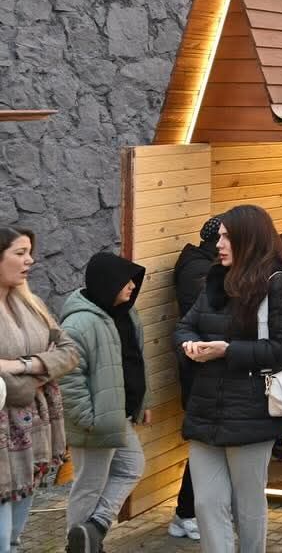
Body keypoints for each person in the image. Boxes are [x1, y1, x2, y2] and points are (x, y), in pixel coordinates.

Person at [174, 205, 282, 553]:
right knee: (205, 504)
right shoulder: (214, 282)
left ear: (249, 239)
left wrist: (228, 351)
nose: (219, 244)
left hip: (251, 410)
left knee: (247, 506)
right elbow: (186, 323)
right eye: (219, 237)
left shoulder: (278, 286)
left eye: (227, 237)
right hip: (205, 408)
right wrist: (188, 343)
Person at [60, 252, 149, 553]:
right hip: (96, 421)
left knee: (131, 466)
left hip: (118, 417)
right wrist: (89, 418)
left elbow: (135, 361)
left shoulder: (125, 315)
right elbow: (68, 379)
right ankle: (81, 547)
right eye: (127, 281)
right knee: (88, 485)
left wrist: (141, 402)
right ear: (108, 283)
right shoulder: (79, 324)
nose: (132, 287)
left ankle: (94, 529)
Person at [0, 227, 79, 551]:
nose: (29, 260)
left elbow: (70, 351)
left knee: (15, 535)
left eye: (29, 252)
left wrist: (21, 365)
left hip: (32, 438)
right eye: (19, 253)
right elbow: (17, 393)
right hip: (3, 444)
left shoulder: (32, 306)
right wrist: (46, 370)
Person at [169, 216, 221, 541]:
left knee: (210, 447)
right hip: (201, 374)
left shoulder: (205, 265)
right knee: (205, 447)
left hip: (208, 373)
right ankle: (185, 513)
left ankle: (191, 512)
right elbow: (209, 318)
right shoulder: (197, 271)